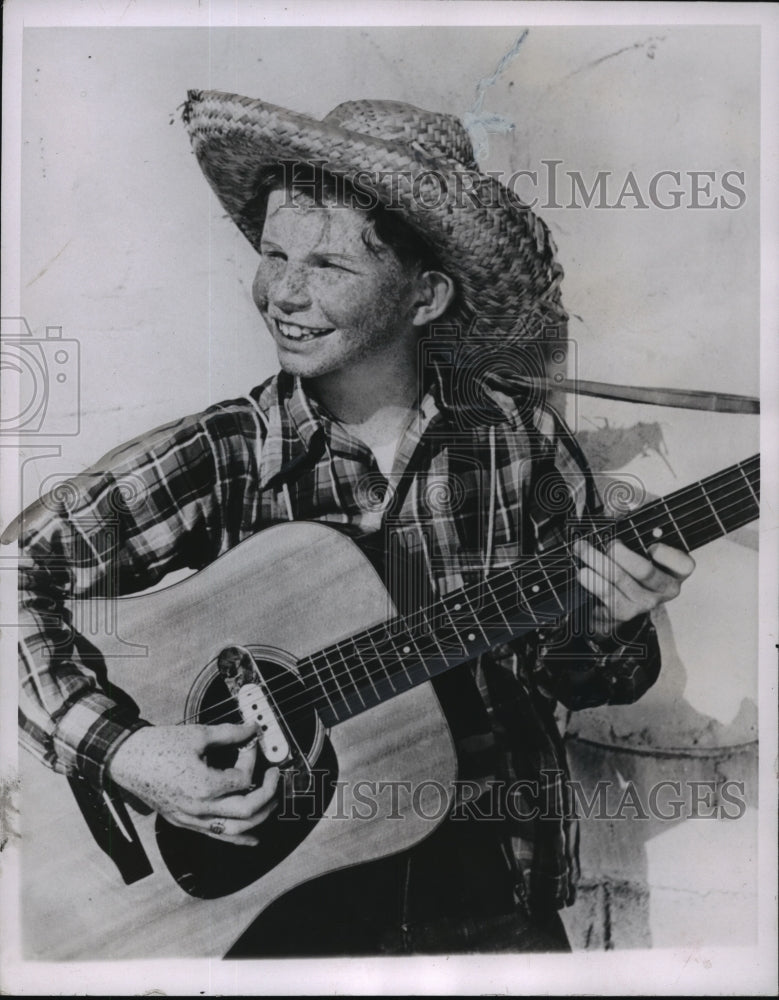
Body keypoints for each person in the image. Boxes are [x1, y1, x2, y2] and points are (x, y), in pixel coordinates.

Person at [17, 91, 695, 956]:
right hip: (277, 921)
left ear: (425, 295)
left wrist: (601, 627)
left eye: (328, 266)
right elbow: (11, 579)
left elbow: (581, 679)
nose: (283, 293)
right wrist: (126, 752)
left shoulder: (519, 447)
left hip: (492, 893)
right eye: (271, 254)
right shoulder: (229, 451)